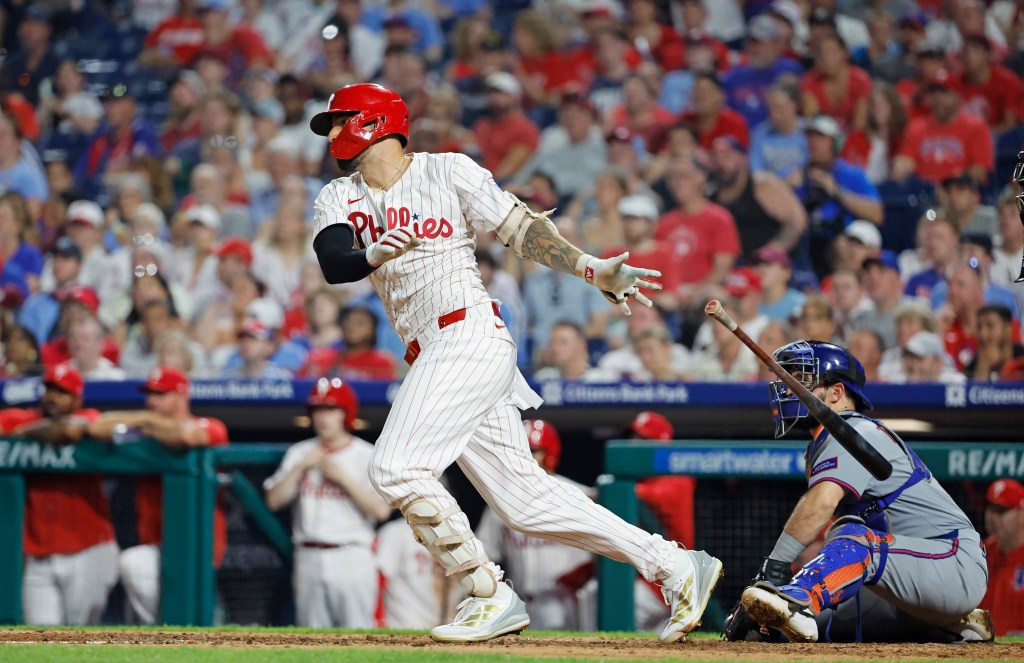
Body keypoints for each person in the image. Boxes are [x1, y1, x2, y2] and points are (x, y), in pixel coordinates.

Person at [308, 83, 722, 643]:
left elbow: (520, 229)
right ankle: (674, 566)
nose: (332, 133)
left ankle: (486, 591)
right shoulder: (340, 194)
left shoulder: (447, 170)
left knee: (394, 467)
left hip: (469, 333)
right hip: (432, 352)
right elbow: (335, 263)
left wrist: (591, 270)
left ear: (374, 120)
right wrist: (371, 255)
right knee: (525, 501)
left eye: (340, 121)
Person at [730, 340, 992, 643]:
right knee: (774, 628)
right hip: (902, 580)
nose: (787, 389)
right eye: (787, 378)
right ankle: (953, 626)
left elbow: (822, 503)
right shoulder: (822, 444)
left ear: (837, 393)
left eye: (800, 379)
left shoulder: (853, 431)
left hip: (951, 562)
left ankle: (796, 601)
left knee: (850, 538)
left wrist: (774, 568)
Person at [86, 367, 229, 624]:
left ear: (181, 395)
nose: (152, 401)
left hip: (198, 544)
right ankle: (163, 634)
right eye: (150, 394)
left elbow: (186, 435)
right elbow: (97, 428)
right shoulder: (143, 427)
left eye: (161, 394)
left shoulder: (210, 424)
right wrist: (144, 421)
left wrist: (146, 424)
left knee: (205, 618)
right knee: (133, 564)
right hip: (154, 541)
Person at [265, 379, 391, 627]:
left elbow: (381, 511)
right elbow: (273, 501)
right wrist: (300, 468)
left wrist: (344, 479)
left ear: (346, 414)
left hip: (352, 555)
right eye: (318, 410)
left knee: (358, 638)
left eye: (331, 410)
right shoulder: (299, 453)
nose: (323, 417)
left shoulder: (365, 454)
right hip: (308, 554)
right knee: (311, 640)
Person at [0, 362, 119, 625]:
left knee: (80, 642)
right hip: (39, 551)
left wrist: (22, 434)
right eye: (49, 389)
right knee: (41, 642)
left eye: (61, 391)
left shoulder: (88, 416)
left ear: (77, 398)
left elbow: (68, 430)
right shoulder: (26, 417)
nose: (52, 397)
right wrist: (26, 429)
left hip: (88, 549)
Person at [476, 420, 593, 631]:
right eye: (520, 451)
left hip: (566, 600)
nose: (525, 458)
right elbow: (485, 554)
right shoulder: (500, 500)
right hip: (520, 603)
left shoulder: (578, 495)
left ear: (550, 454)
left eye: (533, 451)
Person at [979, 479, 1024, 637]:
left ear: (1021, 513)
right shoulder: (981, 552)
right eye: (990, 509)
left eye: (1001, 510)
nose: (993, 517)